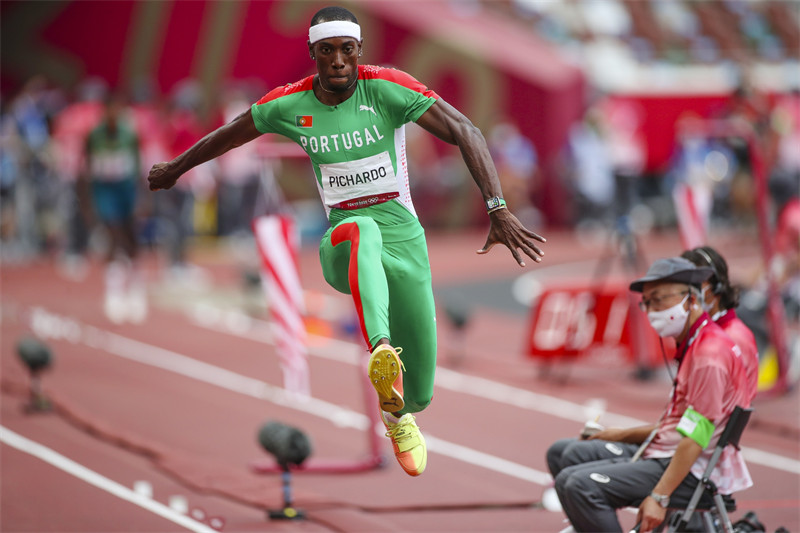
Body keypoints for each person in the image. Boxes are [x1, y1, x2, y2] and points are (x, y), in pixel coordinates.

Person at [147, 6, 546, 477]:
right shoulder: (289, 104)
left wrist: (497, 208)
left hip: (406, 245)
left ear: (360, 52)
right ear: (313, 54)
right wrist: (174, 169)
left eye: (347, 51)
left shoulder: (388, 87)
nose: (338, 61)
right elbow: (228, 136)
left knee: (420, 392)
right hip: (344, 244)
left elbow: (465, 130)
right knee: (364, 228)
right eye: (327, 51)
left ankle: (397, 412)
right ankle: (380, 348)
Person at [547, 257, 751, 532]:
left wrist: (659, 496)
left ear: (691, 301)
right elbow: (683, 425)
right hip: (669, 454)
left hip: (695, 474)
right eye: (647, 303)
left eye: (659, 300)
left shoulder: (708, 355)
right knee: (566, 464)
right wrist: (618, 434)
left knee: (578, 485)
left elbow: (697, 434)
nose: (651, 311)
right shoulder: (696, 345)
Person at [80, 94, 147, 324]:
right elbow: (86, 167)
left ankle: (136, 287)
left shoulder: (129, 134)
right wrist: (87, 201)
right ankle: (114, 292)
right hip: (104, 191)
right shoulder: (93, 135)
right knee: (112, 232)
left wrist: (142, 199)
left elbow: (139, 167)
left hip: (126, 190)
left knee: (130, 238)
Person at [681, 246, 759, 402]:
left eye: (694, 285)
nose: (687, 293)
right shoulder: (703, 332)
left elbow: (719, 409)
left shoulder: (732, 337)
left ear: (716, 286)